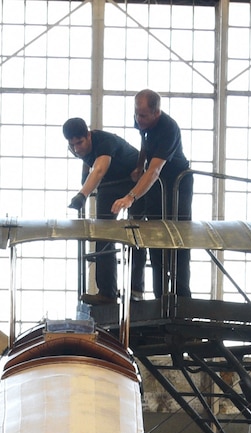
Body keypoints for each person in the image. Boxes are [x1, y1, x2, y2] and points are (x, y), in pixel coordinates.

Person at [111, 89, 194, 303]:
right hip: (155, 184)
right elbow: (144, 144)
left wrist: (131, 196)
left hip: (176, 182)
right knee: (156, 237)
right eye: (137, 114)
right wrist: (139, 166)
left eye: (143, 116)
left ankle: (181, 297)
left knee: (177, 238)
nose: (139, 120)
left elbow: (155, 170)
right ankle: (160, 296)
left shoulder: (168, 128)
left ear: (156, 112)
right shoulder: (143, 121)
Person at [62, 117, 140, 302]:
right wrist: (83, 175)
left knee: (137, 234)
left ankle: (136, 289)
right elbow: (88, 160)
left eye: (79, 143)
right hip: (111, 185)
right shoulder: (76, 147)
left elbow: (99, 169)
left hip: (135, 182)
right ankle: (107, 292)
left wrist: (82, 195)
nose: (76, 148)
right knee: (103, 235)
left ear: (88, 135)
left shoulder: (105, 141)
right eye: (72, 145)